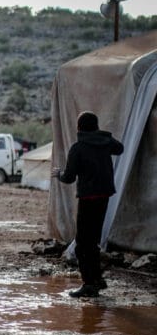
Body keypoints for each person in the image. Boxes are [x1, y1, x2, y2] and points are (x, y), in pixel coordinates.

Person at [52, 111, 123, 298]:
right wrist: (104, 135)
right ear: (97, 126)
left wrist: (58, 174)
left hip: (87, 200)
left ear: (79, 128)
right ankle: (97, 279)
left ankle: (89, 284)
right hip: (104, 197)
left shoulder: (78, 148)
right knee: (93, 242)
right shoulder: (106, 143)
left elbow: (69, 178)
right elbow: (120, 148)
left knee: (83, 244)